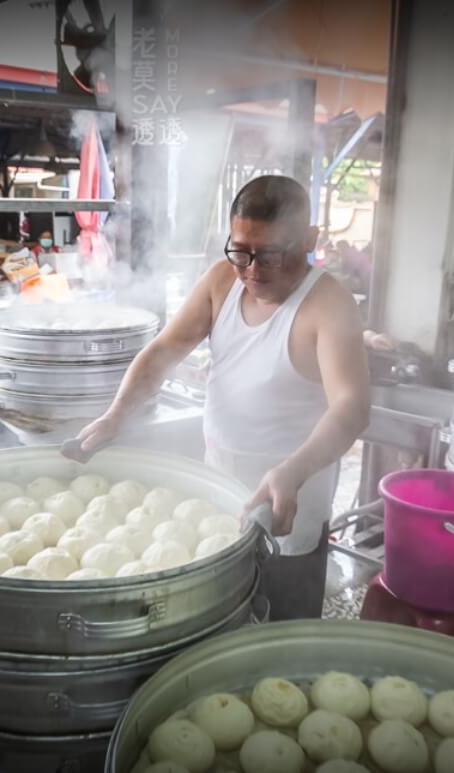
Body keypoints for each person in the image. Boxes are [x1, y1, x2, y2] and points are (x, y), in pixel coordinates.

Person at [73, 175, 372, 620]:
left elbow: (352, 407)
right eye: (240, 251)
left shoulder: (328, 304)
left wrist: (292, 471)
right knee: (221, 617)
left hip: (290, 497)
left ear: (309, 240)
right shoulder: (221, 283)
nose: (252, 269)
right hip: (220, 487)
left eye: (271, 254)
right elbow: (163, 351)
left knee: (282, 626)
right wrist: (118, 415)